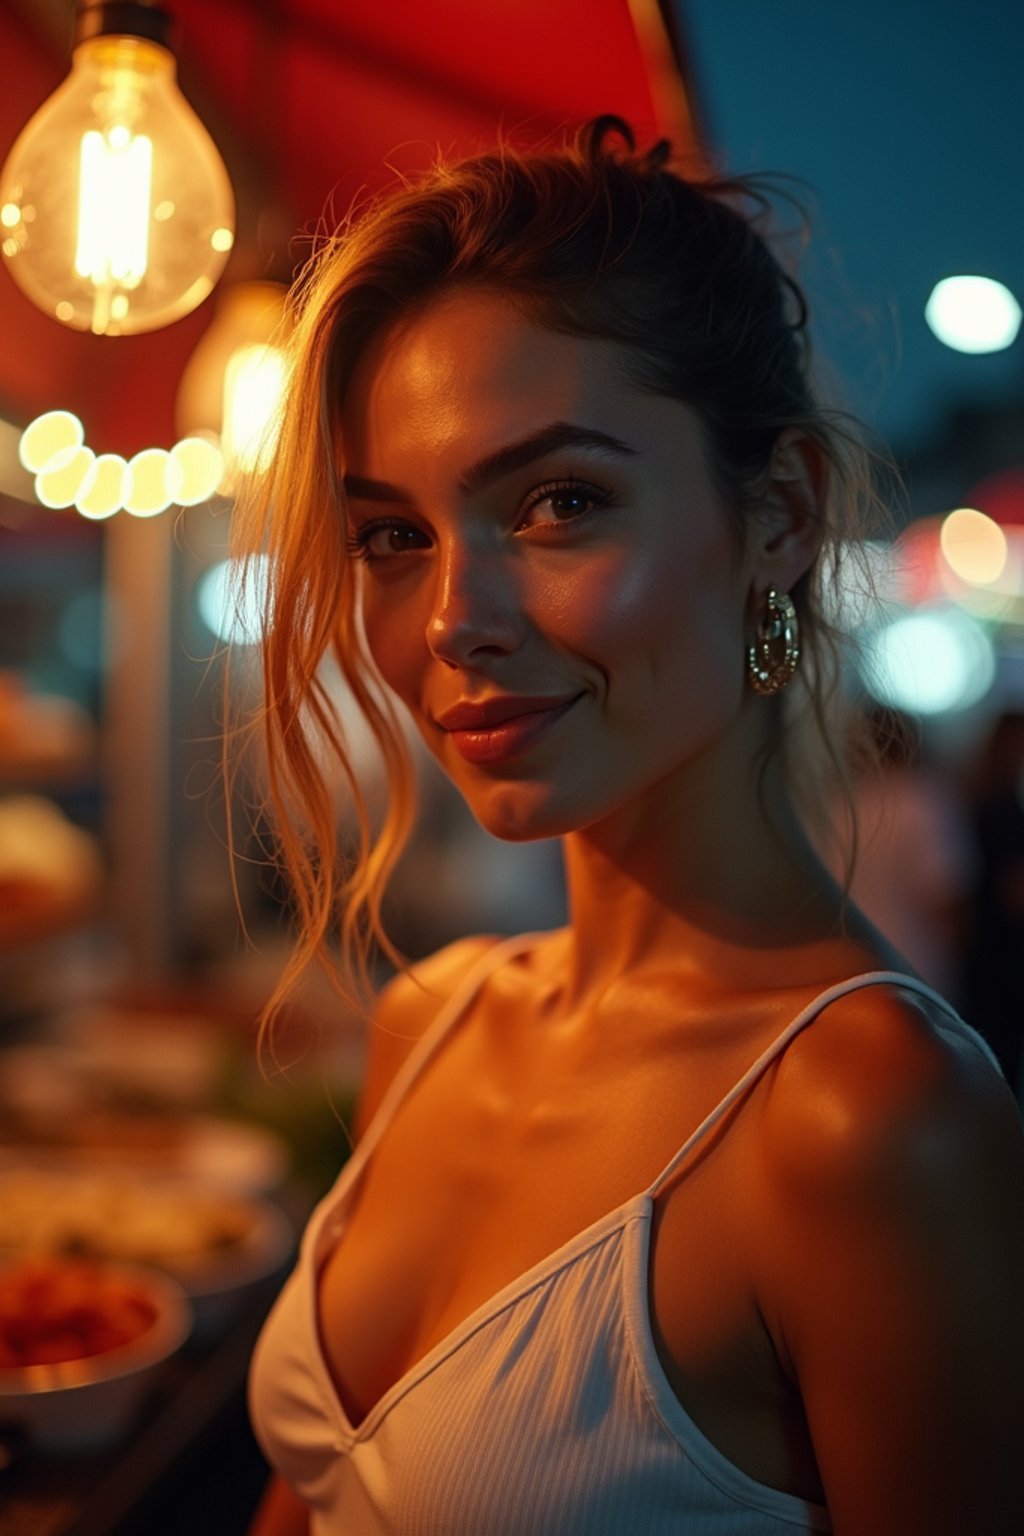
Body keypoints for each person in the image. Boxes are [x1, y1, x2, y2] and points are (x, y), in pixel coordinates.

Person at [240, 117, 1024, 1535]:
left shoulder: (866, 1119)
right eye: (392, 536)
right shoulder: (434, 1023)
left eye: (559, 502)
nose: (450, 621)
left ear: (778, 515)